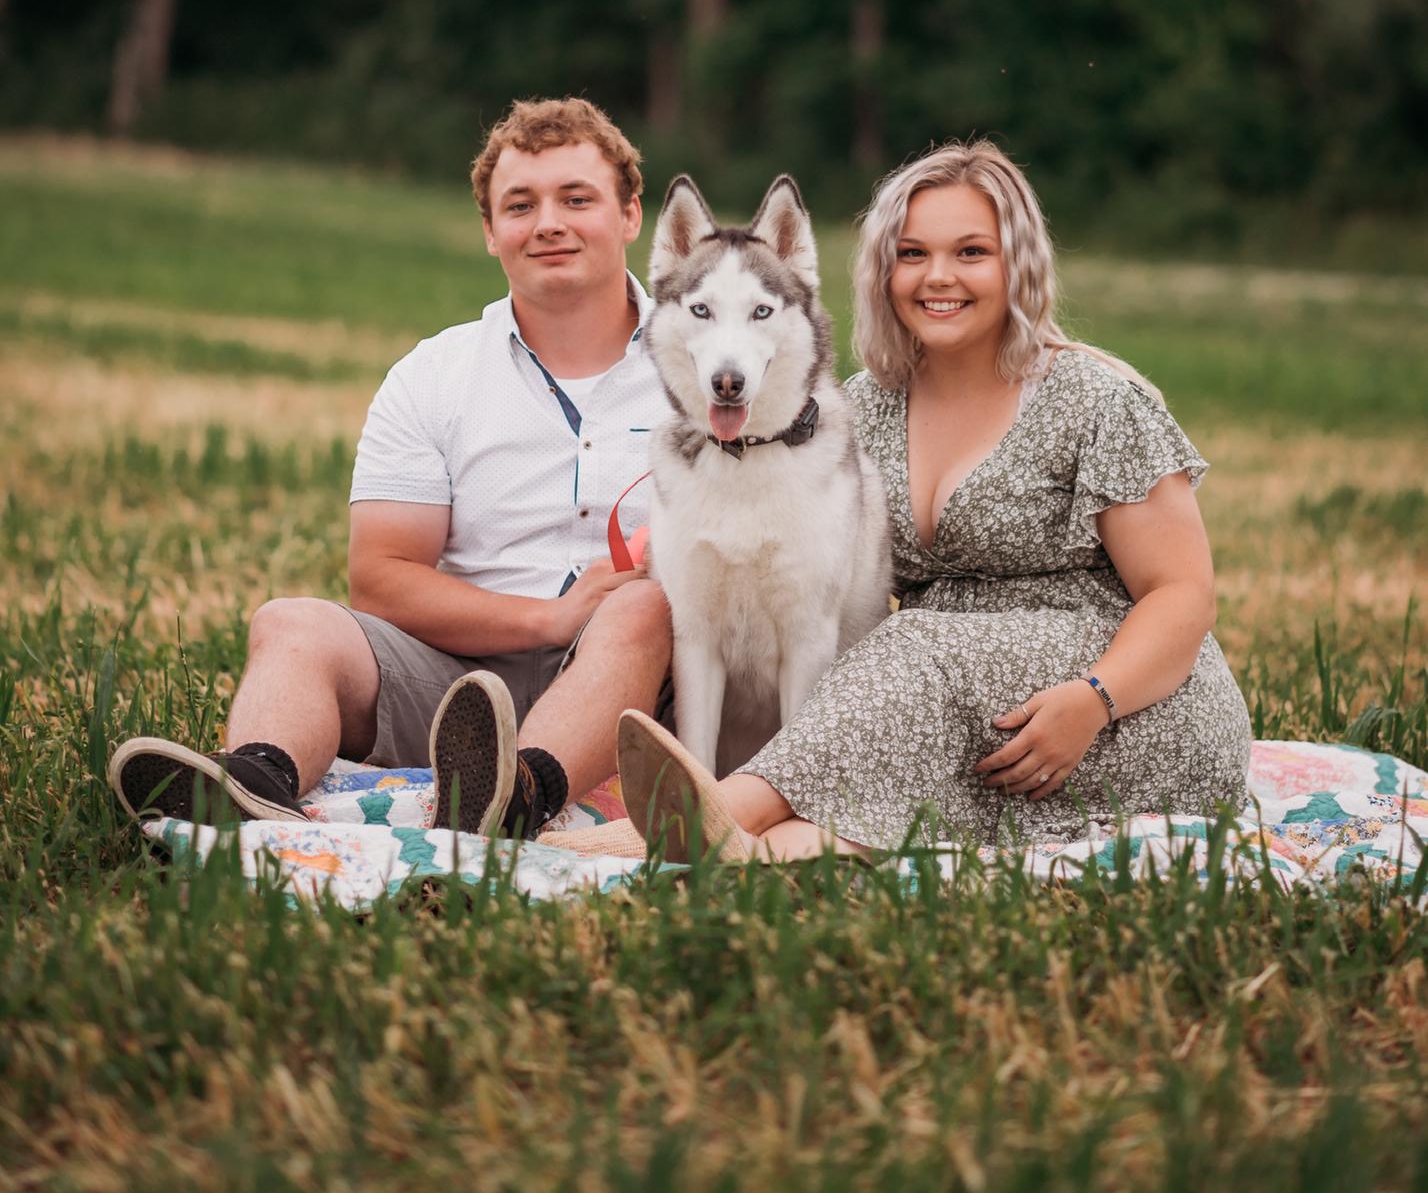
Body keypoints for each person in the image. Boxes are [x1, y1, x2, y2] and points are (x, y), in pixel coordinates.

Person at [616, 139, 1252, 862]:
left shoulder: (1095, 400)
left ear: (1019, 264)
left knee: (908, 643)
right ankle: (741, 855)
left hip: (1121, 711)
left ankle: (678, 828)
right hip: (962, 722)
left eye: (971, 252)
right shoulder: (859, 410)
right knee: (852, 792)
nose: (938, 276)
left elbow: (1184, 596)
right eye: (912, 254)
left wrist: (1092, 700)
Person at [109, 96, 672, 839]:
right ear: (490, 231)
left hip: (647, 683)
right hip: (462, 686)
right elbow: (381, 578)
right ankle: (254, 787)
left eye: (577, 199)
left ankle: (516, 799)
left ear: (630, 216)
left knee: (641, 607)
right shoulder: (433, 375)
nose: (548, 224)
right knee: (291, 623)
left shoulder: (710, 367)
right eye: (520, 205)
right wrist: (549, 618)